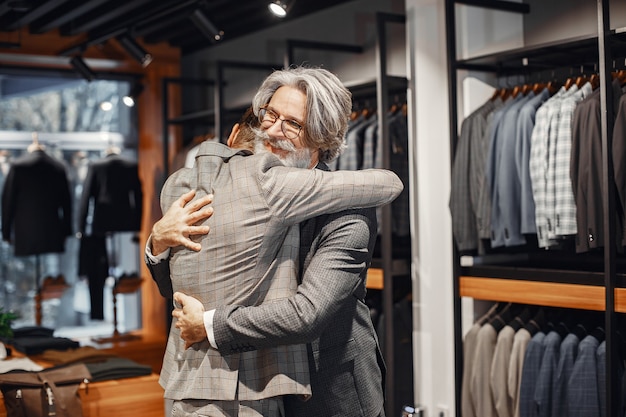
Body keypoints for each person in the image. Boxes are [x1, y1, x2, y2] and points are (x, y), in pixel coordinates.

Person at [148, 68, 402, 417]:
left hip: (328, 388)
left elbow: (308, 313)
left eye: (293, 124)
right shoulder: (233, 193)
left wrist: (209, 324)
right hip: (260, 387)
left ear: (322, 138)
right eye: (271, 114)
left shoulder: (349, 214)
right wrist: (158, 241)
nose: (273, 130)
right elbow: (180, 291)